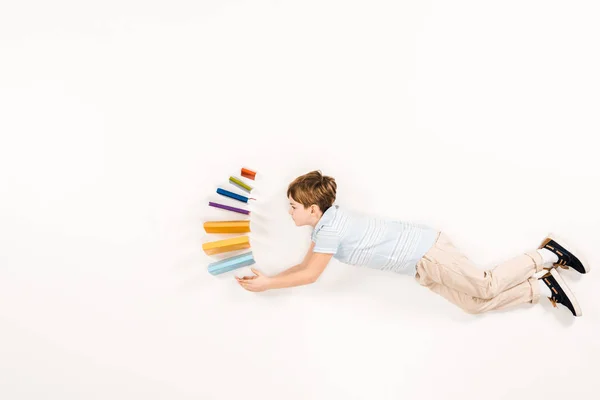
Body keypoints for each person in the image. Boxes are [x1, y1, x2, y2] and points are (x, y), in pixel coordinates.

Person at [236, 170, 590, 316]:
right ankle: (542, 288)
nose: (290, 212)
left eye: (294, 207)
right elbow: (304, 267)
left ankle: (547, 254)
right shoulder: (326, 226)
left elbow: (310, 275)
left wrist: (268, 284)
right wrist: (271, 278)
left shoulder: (329, 228)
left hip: (425, 252)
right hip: (419, 265)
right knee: (474, 305)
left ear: (313, 209)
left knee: (485, 285)